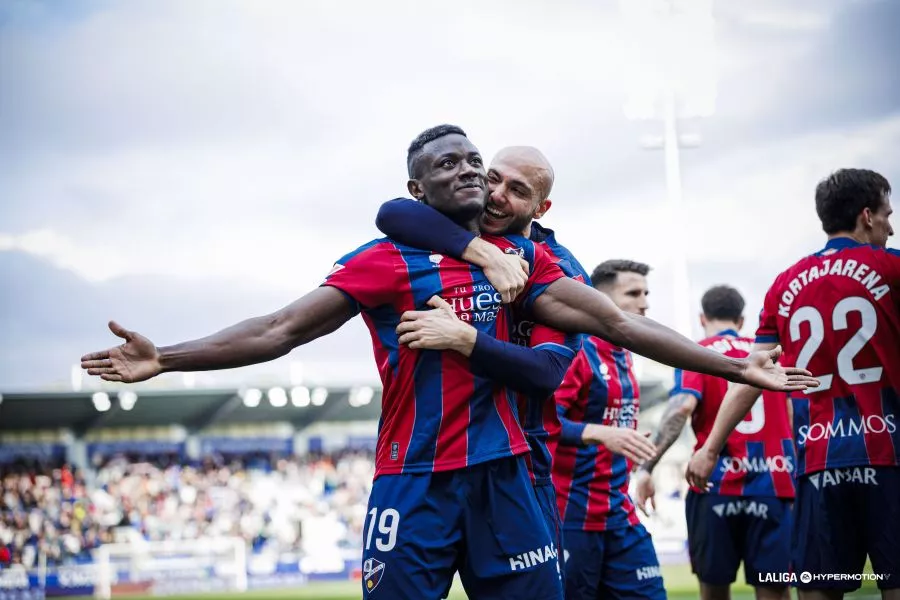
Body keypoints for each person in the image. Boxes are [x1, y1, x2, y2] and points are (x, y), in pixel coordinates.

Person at [82, 125, 814, 599]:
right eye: (454, 165)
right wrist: (168, 358)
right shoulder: (387, 258)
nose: (473, 174)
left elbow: (616, 323)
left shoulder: (529, 263)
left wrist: (736, 370)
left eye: (476, 161)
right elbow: (279, 329)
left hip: (509, 482)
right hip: (415, 481)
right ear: (418, 189)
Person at [375, 147, 657, 591]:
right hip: (435, 465)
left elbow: (547, 372)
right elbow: (392, 212)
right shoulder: (453, 238)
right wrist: (482, 253)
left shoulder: (557, 267)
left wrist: (466, 339)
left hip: (523, 467)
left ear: (541, 208)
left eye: (517, 190)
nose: (496, 194)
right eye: (492, 179)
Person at [685, 168, 899, 600]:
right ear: (867, 216)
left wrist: (710, 449)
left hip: (818, 460)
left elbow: (752, 374)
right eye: (887, 214)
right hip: (890, 454)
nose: (891, 226)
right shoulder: (893, 268)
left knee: (819, 588)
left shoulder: (785, 285)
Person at [634, 285, 794, 600]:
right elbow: (790, 414)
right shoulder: (770, 356)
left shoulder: (700, 353)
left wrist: (647, 467)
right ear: (742, 318)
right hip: (773, 484)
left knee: (714, 590)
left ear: (703, 317)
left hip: (713, 485)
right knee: (774, 590)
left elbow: (681, 407)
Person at [551, 259, 666, 600]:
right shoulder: (578, 351)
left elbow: (619, 433)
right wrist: (600, 433)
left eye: (646, 292)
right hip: (571, 518)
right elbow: (541, 424)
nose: (644, 301)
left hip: (619, 513)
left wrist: (642, 470)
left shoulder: (625, 355)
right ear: (601, 300)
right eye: (633, 293)